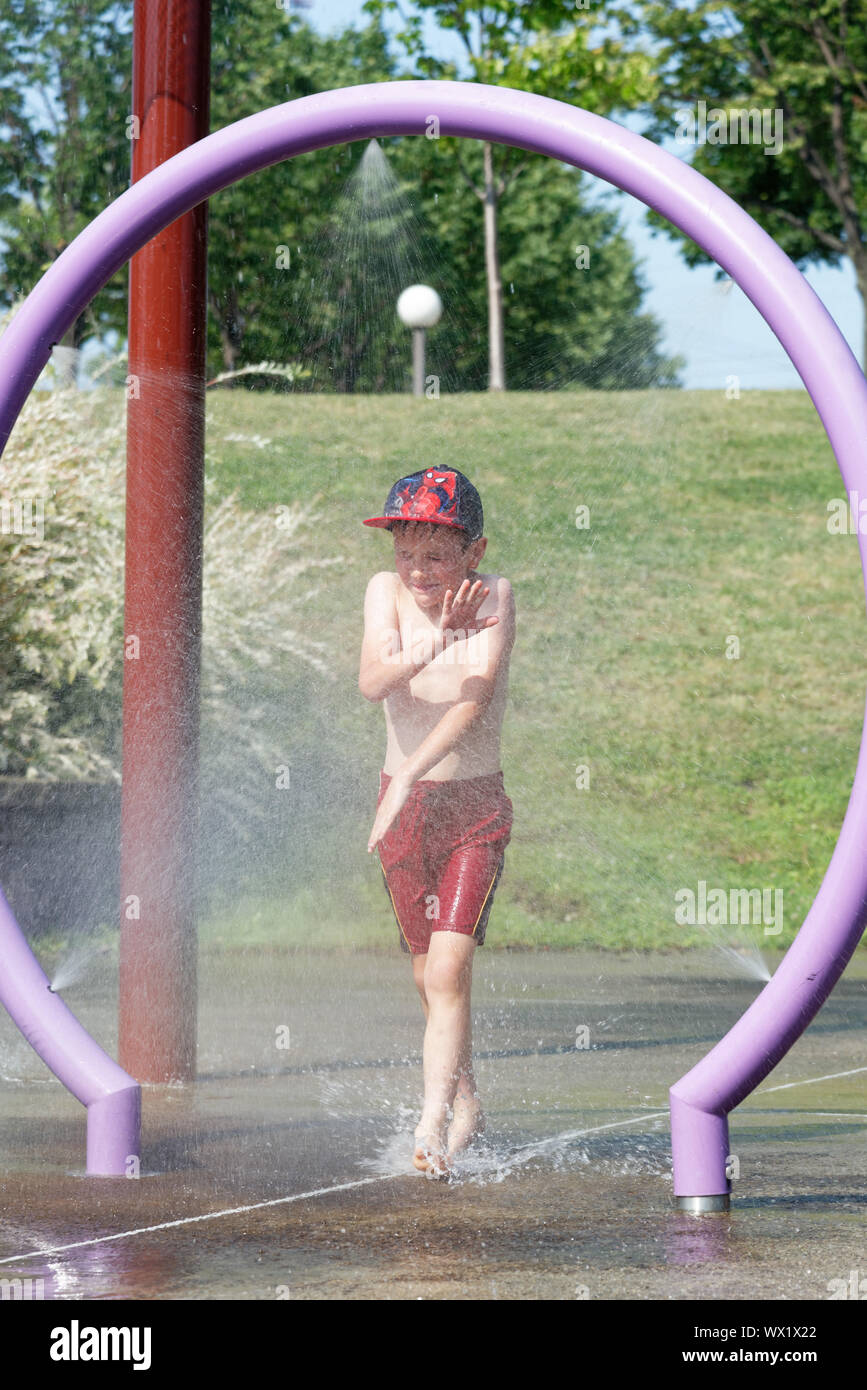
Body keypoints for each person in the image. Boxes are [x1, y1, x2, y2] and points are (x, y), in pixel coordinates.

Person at [358, 468, 515, 1178]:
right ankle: (466, 1096)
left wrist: (409, 778)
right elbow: (372, 683)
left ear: (472, 554)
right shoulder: (382, 593)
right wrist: (434, 638)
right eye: (406, 553)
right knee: (428, 976)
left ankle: (430, 1126)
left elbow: (470, 707)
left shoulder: (496, 597)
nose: (417, 570)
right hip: (404, 810)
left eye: (436, 556)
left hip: (470, 809)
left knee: (450, 966)